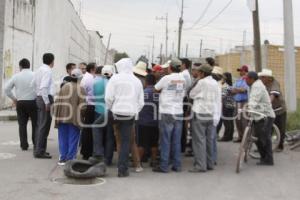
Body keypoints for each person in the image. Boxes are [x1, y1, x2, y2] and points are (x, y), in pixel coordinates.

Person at [105, 58, 144, 178]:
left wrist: (112, 108)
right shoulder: (137, 81)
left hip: (116, 114)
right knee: (127, 141)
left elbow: (108, 97)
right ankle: (122, 169)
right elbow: (141, 102)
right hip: (129, 115)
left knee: (117, 139)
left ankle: (116, 163)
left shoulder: (114, 79)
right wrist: (135, 111)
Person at [153, 58, 186, 173]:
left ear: (170, 67)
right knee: (176, 140)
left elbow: (155, 89)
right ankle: (177, 165)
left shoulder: (166, 78)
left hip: (167, 111)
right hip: (178, 111)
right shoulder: (183, 79)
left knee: (165, 140)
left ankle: (164, 166)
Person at [189, 64, 221, 173]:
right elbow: (218, 99)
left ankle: (200, 165)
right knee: (208, 140)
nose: (197, 73)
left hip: (200, 112)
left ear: (202, 73)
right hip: (211, 114)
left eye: (199, 72)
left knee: (199, 141)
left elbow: (192, 94)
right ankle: (209, 163)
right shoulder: (216, 83)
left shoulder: (201, 82)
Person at [53, 69, 86, 165]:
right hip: (74, 118)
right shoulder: (81, 89)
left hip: (62, 116)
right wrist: (83, 116)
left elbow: (57, 102)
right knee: (73, 138)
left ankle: (62, 158)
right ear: (80, 78)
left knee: (62, 138)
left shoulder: (64, 87)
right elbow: (83, 106)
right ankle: (70, 158)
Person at [5, 58, 37, 151]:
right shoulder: (35, 75)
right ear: (29, 65)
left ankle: (24, 145)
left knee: (22, 124)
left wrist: (14, 99)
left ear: (20, 66)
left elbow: (6, 89)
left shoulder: (16, 76)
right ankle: (36, 144)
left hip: (20, 102)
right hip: (33, 102)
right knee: (35, 123)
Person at [245, 72, 275, 166]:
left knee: (264, 138)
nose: (245, 81)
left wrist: (249, 109)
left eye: (247, 79)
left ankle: (268, 159)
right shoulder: (255, 85)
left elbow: (254, 100)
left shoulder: (257, 86)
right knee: (259, 138)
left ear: (251, 79)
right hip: (259, 115)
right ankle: (264, 157)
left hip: (265, 116)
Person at [91, 66, 114, 166]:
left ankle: (98, 154)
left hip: (98, 110)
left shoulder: (95, 82)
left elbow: (92, 96)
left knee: (98, 133)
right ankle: (108, 159)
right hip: (109, 111)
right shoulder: (112, 83)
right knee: (109, 136)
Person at [258, 69, 287, 151]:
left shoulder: (274, 83)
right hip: (270, 109)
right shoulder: (263, 84)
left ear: (269, 78)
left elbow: (273, 95)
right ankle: (264, 146)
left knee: (280, 128)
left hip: (279, 109)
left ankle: (280, 146)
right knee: (267, 128)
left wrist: (267, 103)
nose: (261, 79)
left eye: (263, 77)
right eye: (261, 77)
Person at [33, 53, 55, 159]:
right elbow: (44, 87)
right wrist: (47, 102)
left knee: (41, 125)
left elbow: (33, 84)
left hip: (39, 97)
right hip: (45, 98)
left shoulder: (39, 70)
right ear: (52, 61)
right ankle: (39, 151)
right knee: (44, 126)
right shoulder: (47, 71)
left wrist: (38, 96)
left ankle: (39, 149)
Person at [138, 74, 159, 168]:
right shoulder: (158, 93)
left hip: (143, 121)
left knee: (142, 142)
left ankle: (138, 162)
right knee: (154, 142)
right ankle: (154, 161)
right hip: (155, 122)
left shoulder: (143, 93)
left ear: (146, 82)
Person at [80, 63, 96, 160]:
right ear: (92, 69)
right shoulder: (90, 79)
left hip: (88, 106)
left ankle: (86, 151)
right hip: (91, 106)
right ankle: (87, 152)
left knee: (87, 130)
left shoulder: (86, 78)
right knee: (89, 130)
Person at [231, 65, 249, 142]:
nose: (240, 72)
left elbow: (244, 90)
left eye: (242, 71)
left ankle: (246, 138)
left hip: (244, 102)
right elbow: (232, 90)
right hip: (237, 102)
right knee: (238, 120)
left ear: (245, 71)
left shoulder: (247, 79)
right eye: (240, 71)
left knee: (244, 120)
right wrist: (238, 90)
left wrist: (237, 90)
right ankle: (240, 136)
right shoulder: (238, 80)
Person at [218, 72, 236, 141]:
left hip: (226, 105)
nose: (222, 78)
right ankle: (230, 136)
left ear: (226, 77)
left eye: (223, 76)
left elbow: (223, 96)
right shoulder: (231, 85)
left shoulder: (226, 86)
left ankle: (226, 136)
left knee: (226, 122)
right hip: (231, 105)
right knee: (230, 121)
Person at [180, 58, 192, 154]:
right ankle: (182, 144)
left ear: (184, 64)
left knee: (182, 123)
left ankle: (182, 145)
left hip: (182, 99)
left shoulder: (184, 74)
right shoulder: (186, 74)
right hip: (184, 99)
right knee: (182, 123)